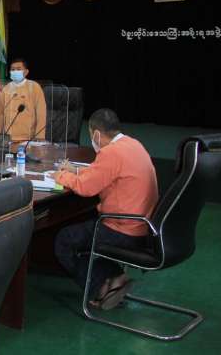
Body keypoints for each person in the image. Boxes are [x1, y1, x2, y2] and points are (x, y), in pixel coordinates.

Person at [53, 108, 158, 310]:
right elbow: (103, 173)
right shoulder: (133, 145)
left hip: (122, 230)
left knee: (64, 241)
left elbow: (85, 187)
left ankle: (100, 289)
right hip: (143, 228)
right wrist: (76, 170)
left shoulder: (111, 152)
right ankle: (115, 278)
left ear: (96, 134)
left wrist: (60, 176)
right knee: (82, 234)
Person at [0, 58, 47, 143]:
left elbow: (41, 113)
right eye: (12, 69)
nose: (15, 72)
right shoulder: (6, 89)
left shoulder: (34, 87)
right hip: (8, 138)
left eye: (18, 69)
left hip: (28, 139)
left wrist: (40, 137)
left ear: (26, 72)